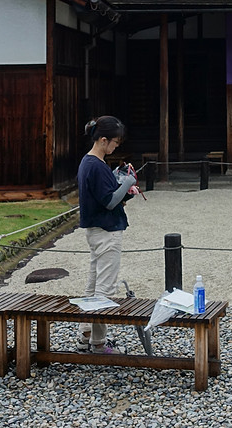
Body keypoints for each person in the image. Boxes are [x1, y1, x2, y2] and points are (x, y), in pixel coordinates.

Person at [76, 115, 137, 354]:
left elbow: (106, 196)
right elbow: (110, 201)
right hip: (107, 232)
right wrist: (127, 181)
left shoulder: (87, 163)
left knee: (92, 286)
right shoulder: (96, 165)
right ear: (103, 140)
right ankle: (98, 344)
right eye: (114, 143)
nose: (115, 147)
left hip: (95, 230)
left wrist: (123, 188)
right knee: (104, 289)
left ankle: (85, 336)